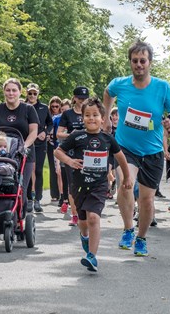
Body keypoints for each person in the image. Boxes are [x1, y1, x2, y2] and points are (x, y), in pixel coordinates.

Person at [103, 40, 170, 256]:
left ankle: (141, 238)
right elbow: (108, 92)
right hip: (125, 148)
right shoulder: (120, 83)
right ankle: (128, 229)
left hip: (153, 151)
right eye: (135, 61)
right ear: (130, 62)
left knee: (147, 200)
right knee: (125, 186)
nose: (139, 64)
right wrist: (107, 117)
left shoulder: (162, 87)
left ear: (150, 63)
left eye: (143, 61)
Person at [55, 97, 131, 272]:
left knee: (94, 218)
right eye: (87, 115)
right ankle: (84, 235)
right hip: (79, 185)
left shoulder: (107, 138)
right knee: (83, 222)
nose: (91, 118)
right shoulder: (76, 136)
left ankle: (92, 256)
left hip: (99, 185)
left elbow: (120, 157)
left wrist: (126, 177)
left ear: (102, 119)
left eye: (95, 115)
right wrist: (69, 160)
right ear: (82, 118)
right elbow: (58, 151)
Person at [0, 78, 38, 213]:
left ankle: (19, 218)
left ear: (20, 92)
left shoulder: (28, 109)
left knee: (20, 187)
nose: (11, 93)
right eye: (8, 90)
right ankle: (0, 213)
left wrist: (24, 146)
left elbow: (33, 132)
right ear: (4, 92)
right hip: (0, 155)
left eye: (14, 90)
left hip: (23, 154)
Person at [57, 86, 89, 226]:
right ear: (74, 98)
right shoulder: (67, 114)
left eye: (84, 99)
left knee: (88, 183)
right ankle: (75, 215)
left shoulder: (90, 112)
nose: (82, 101)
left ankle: (87, 212)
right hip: (71, 153)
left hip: (89, 151)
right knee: (73, 185)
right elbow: (58, 134)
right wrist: (72, 135)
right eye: (80, 98)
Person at [25, 83, 53, 212]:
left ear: (38, 94)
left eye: (34, 93)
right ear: (26, 93)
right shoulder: (23, 107)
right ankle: (28, 198)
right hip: (27, 142)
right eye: (30, 93)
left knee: (38, 171)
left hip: (40, 143)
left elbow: (50, 123)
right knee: (27, 171)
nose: (32, 96)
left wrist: (45, 133)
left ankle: (38, 200)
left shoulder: (43, 107)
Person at [46, 96, 62, 202]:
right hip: (50, 144)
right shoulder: (48, 116)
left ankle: (63, 192)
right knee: (53, 169)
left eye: (56, 106)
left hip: (59, 144)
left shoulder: (62, 117)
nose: (54, 108)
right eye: (52, 106)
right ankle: (54, 194)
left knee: (60, 170)